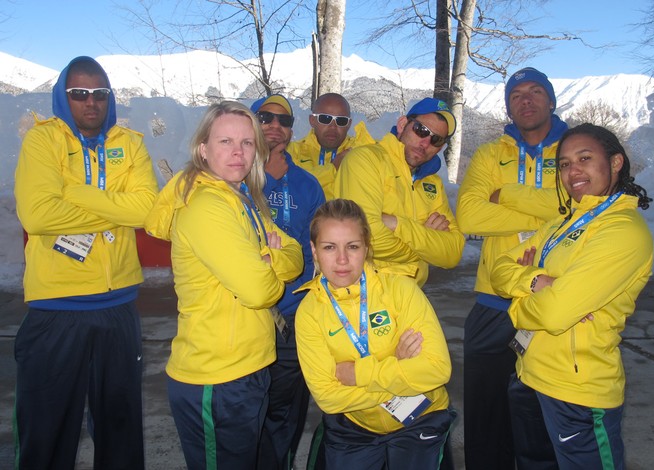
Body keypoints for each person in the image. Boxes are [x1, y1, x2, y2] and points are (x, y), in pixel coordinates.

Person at [13, 56, 158, 469]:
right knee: (46, 431)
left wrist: (73, 195)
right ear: (64, 96)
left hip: (118, 309)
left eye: (99, 94)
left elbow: (147, 209)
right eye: (79, 93)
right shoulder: (42, 141)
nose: (90, 102)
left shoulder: (129, 143)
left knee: (121, 432)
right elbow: (38, 215)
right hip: (57, 309)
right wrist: (118, 208)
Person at [144, 101, 304, 469]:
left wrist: (271, 259)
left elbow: (294, 257)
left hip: (249, 369)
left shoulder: (246, 200)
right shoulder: (207, 207)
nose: (238, 152)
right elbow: (261, 291)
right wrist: (269, 259)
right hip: (216, 380)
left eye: (247, 143)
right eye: (226, 141)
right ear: (203, 149)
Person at [490, 123, 654, 469]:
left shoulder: (623, 232)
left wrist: (518, 305)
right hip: (529, 375)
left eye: (584, 158)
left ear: (615, 163)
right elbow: (499, 269)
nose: (572, 171)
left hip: (578, 393)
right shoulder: (562, 223)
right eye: (564, 164)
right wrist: (536, 282)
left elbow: (553, 314)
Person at [455, 67, 569, 469]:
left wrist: (507, 195)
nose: (526, 99)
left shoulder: (574, 150)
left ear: (551, 100)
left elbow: (575, 206)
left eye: (536, 90)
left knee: (545, 416)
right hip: (495, 300)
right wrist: (545, 214)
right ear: (508, 105)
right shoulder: (490, 154)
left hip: (556, 298)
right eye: (516, 93)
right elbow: (469, 215)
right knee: (486, 417)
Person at [295, 198, 455, 470]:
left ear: (367, 247)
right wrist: (397, 363)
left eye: (353, 247)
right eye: (330, 247)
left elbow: (438, 370)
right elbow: (327, 397)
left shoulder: (401, 290)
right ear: (314, 250)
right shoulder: (309, 312)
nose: (342, 259)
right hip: (356, 426)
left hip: (420, 418)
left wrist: (357, 374)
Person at [250, 94, 326, 470]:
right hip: (246, 314)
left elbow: (317, 251)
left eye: (282, 120)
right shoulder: (232, 176)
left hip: (293, 316)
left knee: (284, 413)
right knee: (247, 410)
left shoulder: (308, 185)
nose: (274, 126)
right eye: (265, 117)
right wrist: (260, 175)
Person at [334, 97, 464, 286]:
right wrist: (422, 248)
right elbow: (363, 237)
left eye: (436, 140)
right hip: (362, 293)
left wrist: (397, 224)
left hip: (410, 297)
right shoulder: (365, 160)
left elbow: (453, 252)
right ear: (403, 124)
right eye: (421, 130)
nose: (425, 142)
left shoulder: (432, 183)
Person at [287, 92, 375, 199]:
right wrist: (332, 168)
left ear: (349, 124)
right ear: (312, 120)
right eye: (325, 119)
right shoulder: (292, 151)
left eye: (341, 121)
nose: (333, 126)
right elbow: (294, 187)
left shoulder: (360, 151)